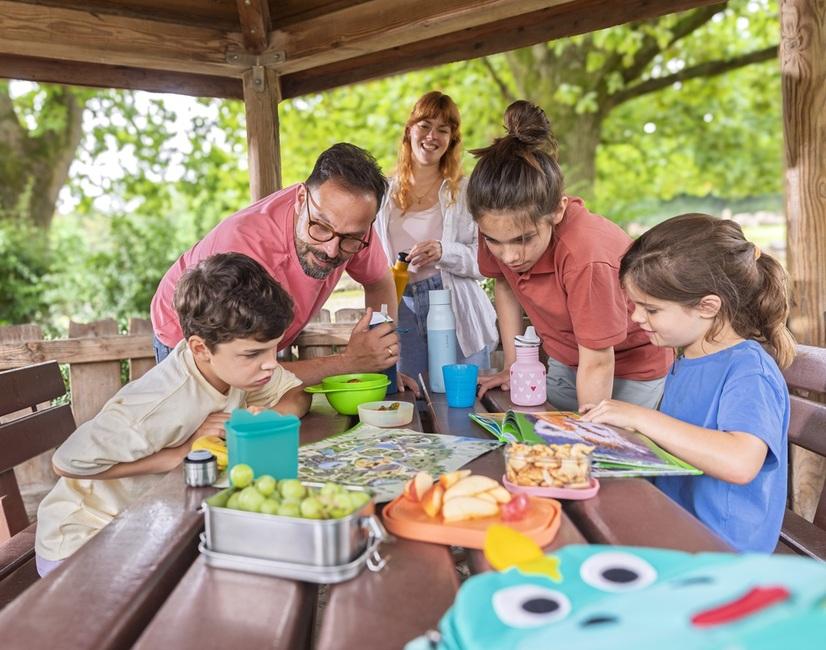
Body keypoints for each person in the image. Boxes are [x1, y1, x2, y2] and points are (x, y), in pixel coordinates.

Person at [35, 253, 311, 576]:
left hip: (140, 525)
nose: (270, 364)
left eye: (272, 349)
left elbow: (297, 394)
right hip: (78, 545)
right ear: (200, 348)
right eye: (253, 354)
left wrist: (264, 417)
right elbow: (66, 462)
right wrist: (181, 452)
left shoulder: (233, 368)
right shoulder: (159, 403)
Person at [581, 214, 794, 553]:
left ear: (707, 306)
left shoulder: (749, 370)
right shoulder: (688, 356)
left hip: (723, 548)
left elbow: (740, 462)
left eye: (651, 309)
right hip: (676, 521)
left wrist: (640, 417)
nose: (636, 318)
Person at [150, 143, 418, 393]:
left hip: (248, 350)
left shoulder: (351, 223)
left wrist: (383, 369)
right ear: (301, 198)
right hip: (197, 344)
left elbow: (379, 282)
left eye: (350, 238)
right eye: (321, 228)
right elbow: (239, 373)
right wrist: (351, 362)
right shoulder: (244, 249)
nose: (332, 250)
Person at [469, 100, 671, 410]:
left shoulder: (586, 256)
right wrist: (513, 363)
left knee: (599, 452)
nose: (508, 256)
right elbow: (506, 285)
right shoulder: (499, 228)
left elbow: (599, 362)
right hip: (566, 360)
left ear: (558, 210)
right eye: (495, 241)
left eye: (523, 239)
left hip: (630, 369)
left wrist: (587, 439)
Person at [375, 91, 498, 379]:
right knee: (412, 399)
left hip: (455, 305)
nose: (432, 136)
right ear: (409, 130)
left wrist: (445, 252)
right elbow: (368, 258)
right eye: (425, 126)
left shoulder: (466, 191)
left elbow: (488, 263)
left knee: (462, 399)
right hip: (400, 305)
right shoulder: (382, 193)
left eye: (443, 130)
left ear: (451, 140)